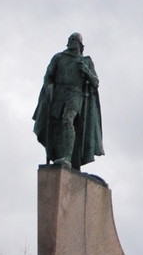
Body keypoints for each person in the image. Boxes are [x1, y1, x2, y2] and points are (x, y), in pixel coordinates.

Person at [33, 33, 103, 170]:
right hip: (59, 94)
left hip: (75, 94)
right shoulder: (59, 58)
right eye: (70, 40)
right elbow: (48, 76)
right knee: (56, 125)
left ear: (80, 44)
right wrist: (49, 89)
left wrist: (87, 71)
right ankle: (57, 154)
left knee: (67, 119)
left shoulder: (86, 61)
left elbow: (95, 82)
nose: (71, 42)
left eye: (74, 40)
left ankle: (67, 157)